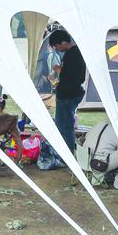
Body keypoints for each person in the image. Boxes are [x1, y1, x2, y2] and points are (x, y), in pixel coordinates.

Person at [38, 29, 85, 171]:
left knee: (63, 126)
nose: (57, 49)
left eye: (57, 46)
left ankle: (65, 155)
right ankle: (66, 153)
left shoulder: (73, 54)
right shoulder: (74, 53)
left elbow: (74, 77)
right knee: (66, 126)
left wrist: (60, 71)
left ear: (63, 42)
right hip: (69, 94)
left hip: (67, 96)